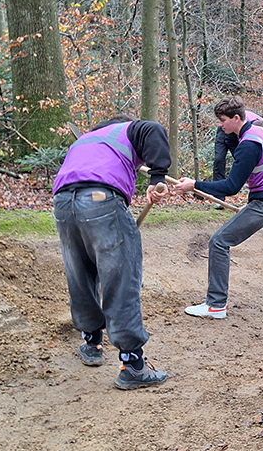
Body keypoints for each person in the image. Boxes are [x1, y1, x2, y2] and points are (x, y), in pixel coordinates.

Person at [52, 115, 170, 390]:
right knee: (121, 278)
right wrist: (157, 176)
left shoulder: (87, 140)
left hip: (62, 202)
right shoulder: (126, 130)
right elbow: (151, 129)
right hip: (101, 199)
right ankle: (133, 366)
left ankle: (91, 344)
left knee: (80, 273)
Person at [173, 96, 263, 320]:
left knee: (219, 242)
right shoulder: (254, 124)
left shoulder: (248, 146)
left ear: (237, 118)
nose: (220, 125)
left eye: (223, 120)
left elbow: (231, 186)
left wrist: (193, 185)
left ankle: (216, 305)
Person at [212, 109, 263, 202]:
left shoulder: (262, 129)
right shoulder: (244, 124)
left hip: (237, 134)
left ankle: (254, 197)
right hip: (228, 128)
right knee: (219, 160)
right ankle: (219, 198)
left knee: (245, 164)